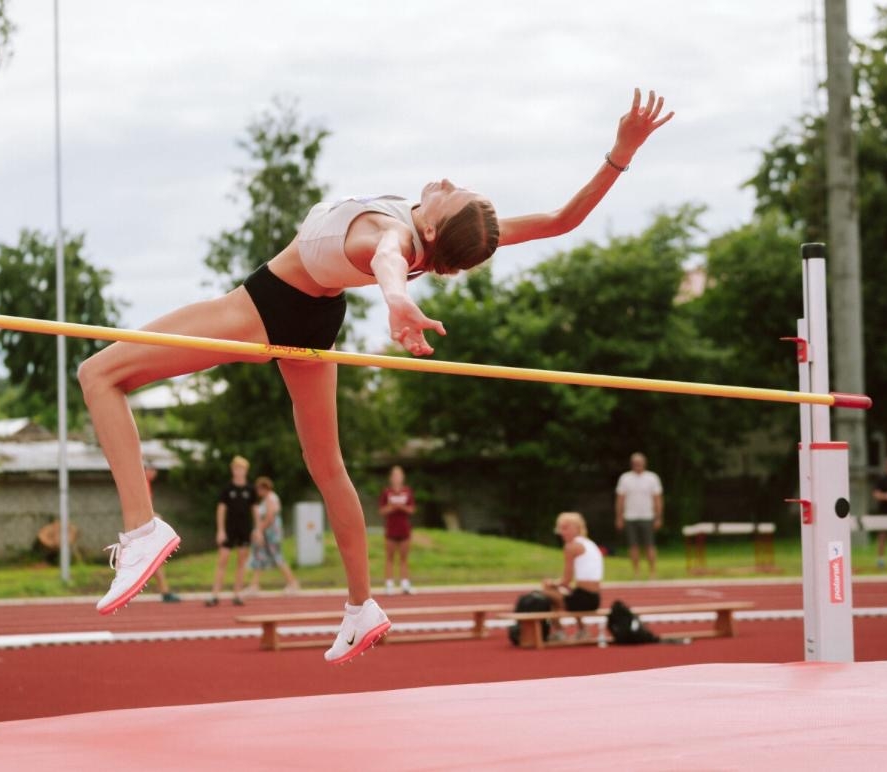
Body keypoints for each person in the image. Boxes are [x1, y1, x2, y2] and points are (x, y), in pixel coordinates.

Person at [77, 88, 673, 663]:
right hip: (314, 314)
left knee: (99, 372)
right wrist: (621, 152)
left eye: (456, 195)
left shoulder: (396, 237)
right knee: (327, 465)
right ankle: (361, 604)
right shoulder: (418, 229)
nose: (451, 183)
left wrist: (395, 298)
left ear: (433, 231)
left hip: (266, 307)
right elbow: (558, 221)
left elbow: (389, 257)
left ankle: (143, 528)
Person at [541, 512, 604, 640]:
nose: (562, 532)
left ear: (577, 528)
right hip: (595, 598)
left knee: (547, 592)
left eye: (566, 528)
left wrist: (551, 583)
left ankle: (559, 632)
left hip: (584, 599)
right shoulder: (589, 543)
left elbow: (566, 580)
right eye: (560, 528)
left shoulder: (571, 547)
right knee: (567, 594)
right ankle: (582, 630)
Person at [205, 456, 255, 607]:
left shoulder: (250, 490)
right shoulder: (227, 489)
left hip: (244, 529)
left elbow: (255, 510)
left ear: (246, 471)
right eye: (236, 469)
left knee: (241, 561)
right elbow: (221, 510)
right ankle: (215, 594)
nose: (238, 471)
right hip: (229, 529)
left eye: (241, 469)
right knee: (223, 560)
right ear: (232, 470)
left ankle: (237, 594)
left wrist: (257, 529)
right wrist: (220, 530)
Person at [247, 476, 301, 595]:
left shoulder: (271, 498)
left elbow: (270, 516)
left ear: (264, 488)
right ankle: (254, 585)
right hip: (267, 533)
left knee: (278, 557)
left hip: (271, 533)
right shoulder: (267, 499)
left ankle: (293, 583)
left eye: (259, 489)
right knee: (259, 557)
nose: (257, 491)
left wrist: (259, 530)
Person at [615, 452, 664, 579]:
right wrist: (619, 517)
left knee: (650, 545)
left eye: (640, 463)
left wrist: (658, 517)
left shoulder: (652, 478)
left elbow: (657, 499)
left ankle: (653, 572)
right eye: (635, 463)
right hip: (630, 517)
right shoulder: (625, 478)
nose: (638, 465)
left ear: (644, 463)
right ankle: (636, 572)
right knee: (633, 546)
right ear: (632, 464)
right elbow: (620, 499)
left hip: (647, 516)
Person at [144, 463, 181, 602]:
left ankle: (164, 591)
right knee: (152, 559)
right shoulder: (143, 485)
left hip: (145, 527)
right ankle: (164, 591)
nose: (154, 472)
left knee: (155, 559)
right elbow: (143, 510)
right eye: (152, 469)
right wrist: (154, 517)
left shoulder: (146, 484)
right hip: (144, 529)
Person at [379, 465, 416, 595]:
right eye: (394, 475)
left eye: (399, 475)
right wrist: (392, 507)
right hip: (391, 529)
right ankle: (389, 584)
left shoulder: (407, 491)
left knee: (404, 558)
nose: (397, 478)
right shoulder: (387, 492)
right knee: (389, 557)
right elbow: (382, 510)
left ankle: (405, 584)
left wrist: (402, 507)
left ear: (402, 477)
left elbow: (411, 510)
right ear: (391, 478)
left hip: (404, 529)